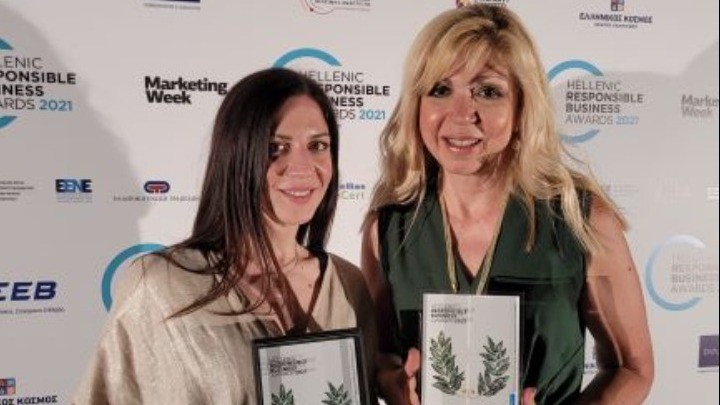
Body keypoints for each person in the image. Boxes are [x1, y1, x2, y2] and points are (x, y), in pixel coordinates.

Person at [361, 4, 654, 405]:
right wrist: (391, 380)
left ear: (522, 106)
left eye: (488, 91)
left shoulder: (580, 220)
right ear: (416, 105)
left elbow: (632, 368)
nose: (461, 114)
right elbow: (382, 354)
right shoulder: (388, 228)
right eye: (440, 90)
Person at [74, 67, 377, 404]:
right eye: (276, 147)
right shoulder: (160, 286)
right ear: (236, 155)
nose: (304, 167)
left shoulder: (348, 285)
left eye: (318, 145)